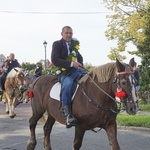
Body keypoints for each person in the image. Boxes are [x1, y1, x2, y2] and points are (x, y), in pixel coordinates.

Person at [51, 26, 86, 128]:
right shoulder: (57, 44)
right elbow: (55, 59)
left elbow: (80, 57)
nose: (69, 35)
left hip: (77, 70)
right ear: (62, 34)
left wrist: (80, 64)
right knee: (68, 84)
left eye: (70, 33)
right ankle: (67, 115)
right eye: (66, 33)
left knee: (90, 79)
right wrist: (71, 64)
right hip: (64, 72)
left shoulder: (74, 45)